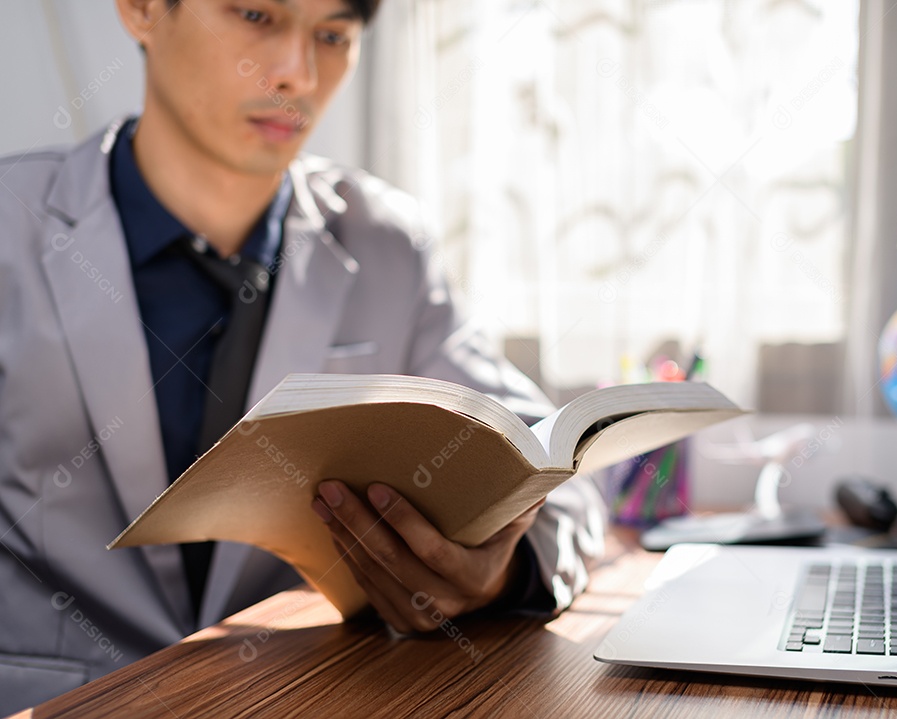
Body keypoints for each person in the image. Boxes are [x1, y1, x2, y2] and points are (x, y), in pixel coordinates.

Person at [0, 0, 605, 711]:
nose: (298, 74)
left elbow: (561, 477)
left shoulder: (387, 245)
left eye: (333, 35)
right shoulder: (14, 226)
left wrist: (497, 576)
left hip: (298, 698)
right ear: (140, 10)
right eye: (256, 16)